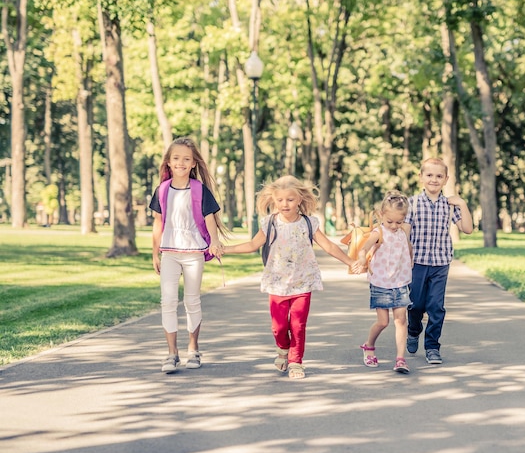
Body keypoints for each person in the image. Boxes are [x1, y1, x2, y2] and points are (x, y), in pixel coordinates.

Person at [223, 175, 361, 380]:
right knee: (279, 328)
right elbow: (252, 245)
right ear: (274, 200)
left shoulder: (309, 223)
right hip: (277, 283)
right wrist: (225, 249)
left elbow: (329, 246)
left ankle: (296, 361)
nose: (284, 204)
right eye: (280, 200)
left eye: (289, 199)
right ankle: (282, 349)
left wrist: (350, 261)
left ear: (299, 200)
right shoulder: (269, 223)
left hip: (302, 282)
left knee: (298, 325)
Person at [150, 137, 227, 374]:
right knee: (168, 301)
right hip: (170, 253)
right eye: (176, 158)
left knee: (192, 301)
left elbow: (209, 217)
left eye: (186, 159)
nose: (181, 162)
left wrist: (214, 241)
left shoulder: (199, 190)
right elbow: (158, 222)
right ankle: (172, 353)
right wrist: (155, 253)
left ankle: (193, 348)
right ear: (169, 162)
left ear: (194, 163)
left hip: (193, 252)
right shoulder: (162, 190)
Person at [405, 157, 472, 364]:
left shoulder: (449, 205)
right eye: (429, 175)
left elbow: (467, 229)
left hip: (441, 263)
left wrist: (462, 203)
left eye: (439, 176)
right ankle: (413, 330)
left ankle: (432, 347)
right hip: (416, 263)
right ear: (421, 177)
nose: (434, 179)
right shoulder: (412, 203)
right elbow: (405, 235)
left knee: (436, 306)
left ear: (446, 179)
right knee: (415, 305)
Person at [355, 190, 413, 374]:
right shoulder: (378, 232)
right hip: (380, 282)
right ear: (381, 215)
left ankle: (400, 359)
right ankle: (369, 345)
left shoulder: (404, 229)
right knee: (383, 322)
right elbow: (363, 249)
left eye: (399, 221)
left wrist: (410, 260)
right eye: (390, 221)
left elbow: (408, 246)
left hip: (401, 281)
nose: (395, 225)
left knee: (401, 320)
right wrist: (362, 260)